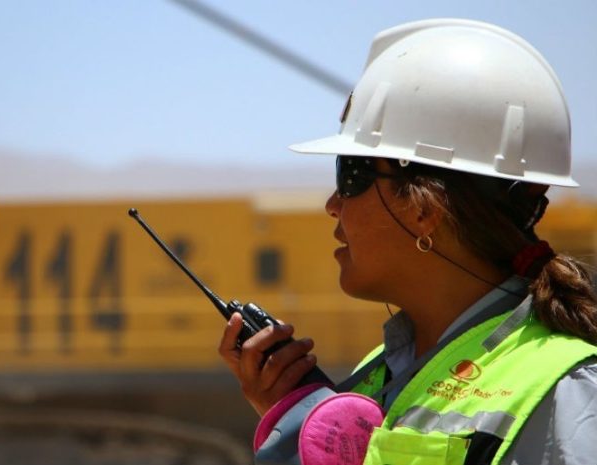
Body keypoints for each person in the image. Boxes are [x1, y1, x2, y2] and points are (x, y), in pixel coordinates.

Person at [218, 18, 597, 465]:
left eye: (352, 174)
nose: (332, 204)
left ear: (424, 209)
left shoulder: (570, 395)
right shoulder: (377, 374)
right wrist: (295, 421)